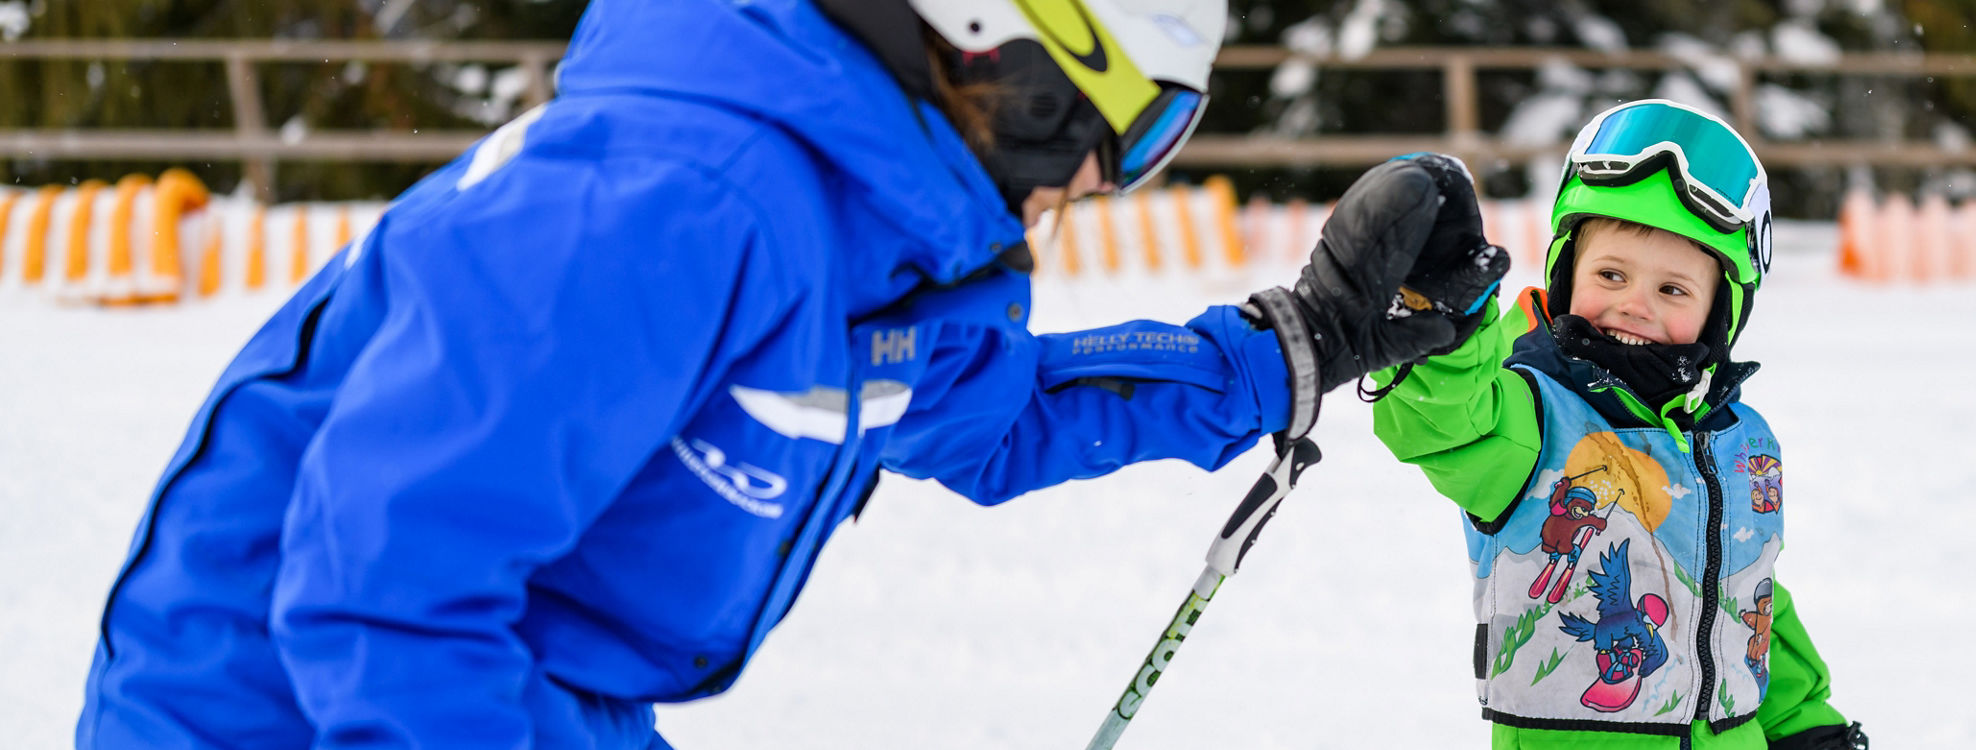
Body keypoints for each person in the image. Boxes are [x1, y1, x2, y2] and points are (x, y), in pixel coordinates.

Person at [75, 0, 1504, 746]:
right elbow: (385, 581)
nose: (1096, 177)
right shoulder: (674, 200)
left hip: (536, 693)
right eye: (1115, 126)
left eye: (1155, 144)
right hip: (286, 707)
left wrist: (1298, 341)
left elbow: (992, 417)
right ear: (993, 46)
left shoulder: (893, 229)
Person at [1369, 99, 1868, 749]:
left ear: (1723, 314)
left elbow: (1744, 602)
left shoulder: (1741, 443)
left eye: (1673, 290)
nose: (1635, 304)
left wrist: (1802, 728)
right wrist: (1442, 328)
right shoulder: (1535, 423)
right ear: (1566, 271)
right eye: (1611, 274)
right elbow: (1446, 420)